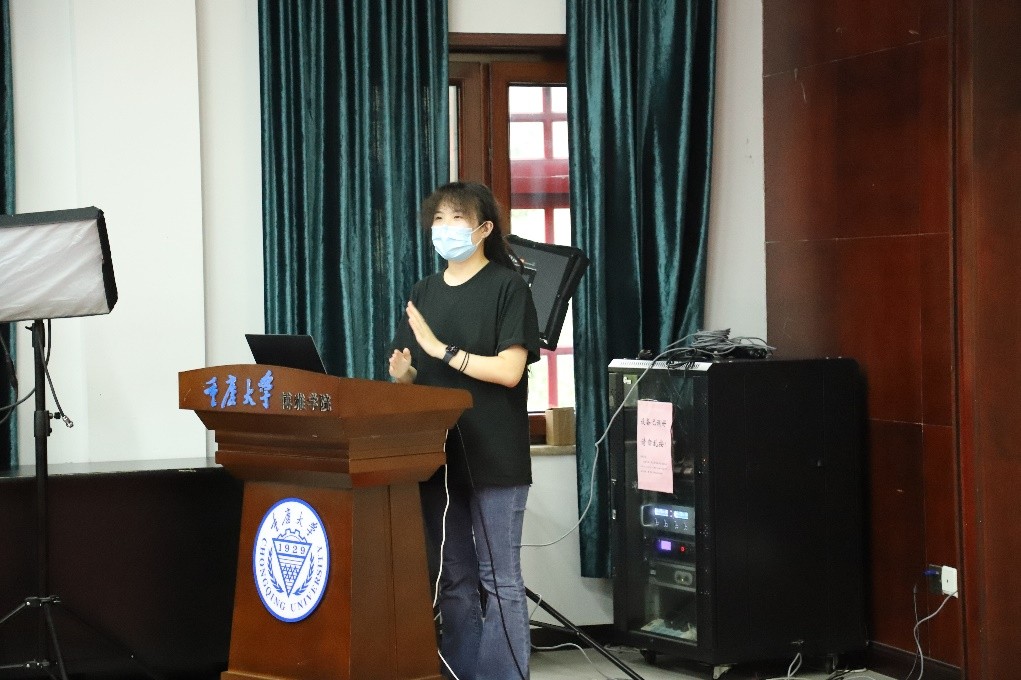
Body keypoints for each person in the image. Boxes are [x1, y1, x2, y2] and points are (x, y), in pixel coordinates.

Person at [388, 181, 540, 680]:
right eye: (438, 219)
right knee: (454, 577)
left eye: (457, 219)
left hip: (495, 453)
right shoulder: (424, 292)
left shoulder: (508, 287)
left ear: (483, 229)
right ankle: (462, 672)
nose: (445, 229)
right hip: (439, 456)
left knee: (500, 579)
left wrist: (442, 350)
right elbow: (418, 373)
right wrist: (404, 374)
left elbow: (509, 371)